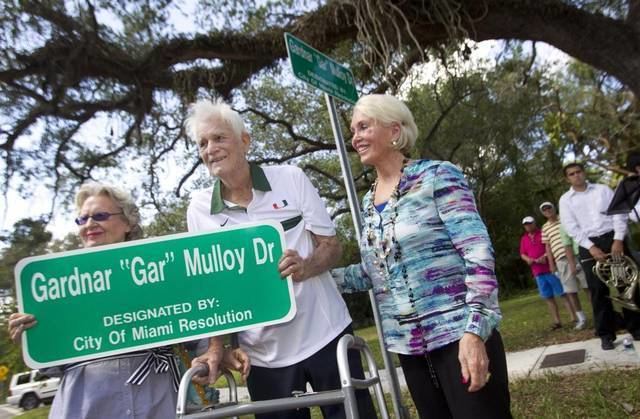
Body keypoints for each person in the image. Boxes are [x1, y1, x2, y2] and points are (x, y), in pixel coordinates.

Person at [183, 98, 376, 419]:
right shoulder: (199, 209)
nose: (210, 148)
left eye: (219, 138)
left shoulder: (291, 178)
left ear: (245, 140)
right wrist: (216, 347)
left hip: (326, 335)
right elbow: (212, 287)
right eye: (203, 143)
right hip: (262, 358)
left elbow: (330, 246)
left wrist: (306, 266)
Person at [333, 94, 511, 418]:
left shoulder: (437, 176)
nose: (355, 137)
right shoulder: (368, 202)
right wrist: (317, 277)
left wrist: (474, 332)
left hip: (460, 335)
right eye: (352, 131)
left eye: (363, 127)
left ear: (394, 131)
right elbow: (375, 271)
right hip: (410, 351)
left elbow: (477, 252)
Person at [7, 183, 248, 418]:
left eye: (100, 215)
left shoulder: (159, 272)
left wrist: (219, 353)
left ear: (127, 222)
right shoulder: (56, 285)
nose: (89, 224)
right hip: (84, 406)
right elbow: (50, 363)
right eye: (82, 219)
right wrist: (32, 338)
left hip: (156, 401)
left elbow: (195, 331)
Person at [559, 162, 640, 350]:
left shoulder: (603, 190)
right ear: (567, 178)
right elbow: (571, 228)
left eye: (579, 171)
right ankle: (605, 334)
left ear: (584, 172)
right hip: (589, 245)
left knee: (625, 285)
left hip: (613, 240)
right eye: (572, 174)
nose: (576, 175)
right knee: (598, 292)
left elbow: (619, 214)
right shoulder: (566, 200)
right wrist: (591, 247)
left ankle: (636, 327)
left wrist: (618, 240)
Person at [519, 216, 576, 330]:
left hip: (549, 269)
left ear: (535, 223)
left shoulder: (543, 233)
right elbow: (522, 253)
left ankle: (573, 317)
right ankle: (557, 321)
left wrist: (544, 256)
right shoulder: (524, 238)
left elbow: (550, 247)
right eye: (526, 224)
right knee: (548, 297)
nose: (528, 226)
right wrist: (528, 259)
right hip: (537, 272)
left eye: (530, 223)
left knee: (562, 294)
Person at [539, 201, 588, 329]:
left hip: (576, 255)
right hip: (560, 260)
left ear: (554, 208)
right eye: (544, 210)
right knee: (570, 291)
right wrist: (551, 265)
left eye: (549, 207)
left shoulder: (565, 218)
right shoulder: (545, 228)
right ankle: (581, 318)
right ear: (543, 213)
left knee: (587, 286)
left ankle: (599, 312)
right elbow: (548, 248)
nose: (547, 210)